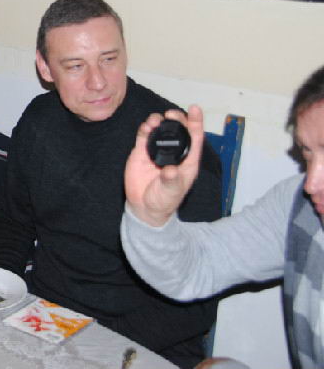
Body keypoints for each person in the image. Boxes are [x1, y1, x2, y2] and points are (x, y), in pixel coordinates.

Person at [0, 0, 223, 368]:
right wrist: (0, 298)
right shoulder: (39, 122)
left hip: (145, 342)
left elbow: (196, 301)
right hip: (48, 319)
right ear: (45, 68)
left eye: (109, 60)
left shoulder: (174, 147)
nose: (97, 82)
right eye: (75, 66)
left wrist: (92, 346)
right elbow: (12, 222)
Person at [121, 65, 324, 369]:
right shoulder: (300, 208)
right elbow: (196, 267)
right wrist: (151, 214)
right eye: (308, 154)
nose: (312, 183)